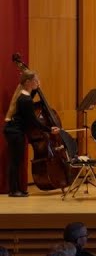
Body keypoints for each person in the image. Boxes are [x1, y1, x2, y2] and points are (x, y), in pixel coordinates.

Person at [5, 69, 60, 197]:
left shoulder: (24, 95)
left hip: (14, 131)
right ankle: (14, 190)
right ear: (28, 82)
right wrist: (49, 129)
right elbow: (33, 121)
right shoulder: (25, 99)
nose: (38, 82)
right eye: (36, 80)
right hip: (15, 132)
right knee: (15, 161)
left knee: (17, 161)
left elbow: (30, 101)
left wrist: (36, 89)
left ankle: (16, 188)